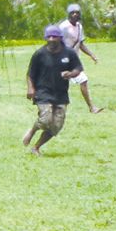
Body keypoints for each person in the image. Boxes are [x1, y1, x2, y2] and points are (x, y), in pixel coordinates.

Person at [23, 25, 85, 155]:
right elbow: (30, 74)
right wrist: (30, 88)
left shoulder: (69, 53)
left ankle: (36, 147)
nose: (51, 39)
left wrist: (71, 74)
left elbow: (78, 68)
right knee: (45, 119)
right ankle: (32, 131)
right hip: (43, 92)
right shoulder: (40, 54)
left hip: (61, 94)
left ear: (60, 37)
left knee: (56, 126)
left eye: (54, 36)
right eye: (48, 37)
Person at [58, 3, 104, 113]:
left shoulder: (79, 26)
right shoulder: (63, 27)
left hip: (74, 62)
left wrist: (92, 55)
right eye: (72, 13)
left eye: (77, 13)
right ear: (69, 14)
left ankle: (92, 108)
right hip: (63, 61)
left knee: (83, 80)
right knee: (60, 85)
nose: (75, 15)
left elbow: (81, 44)